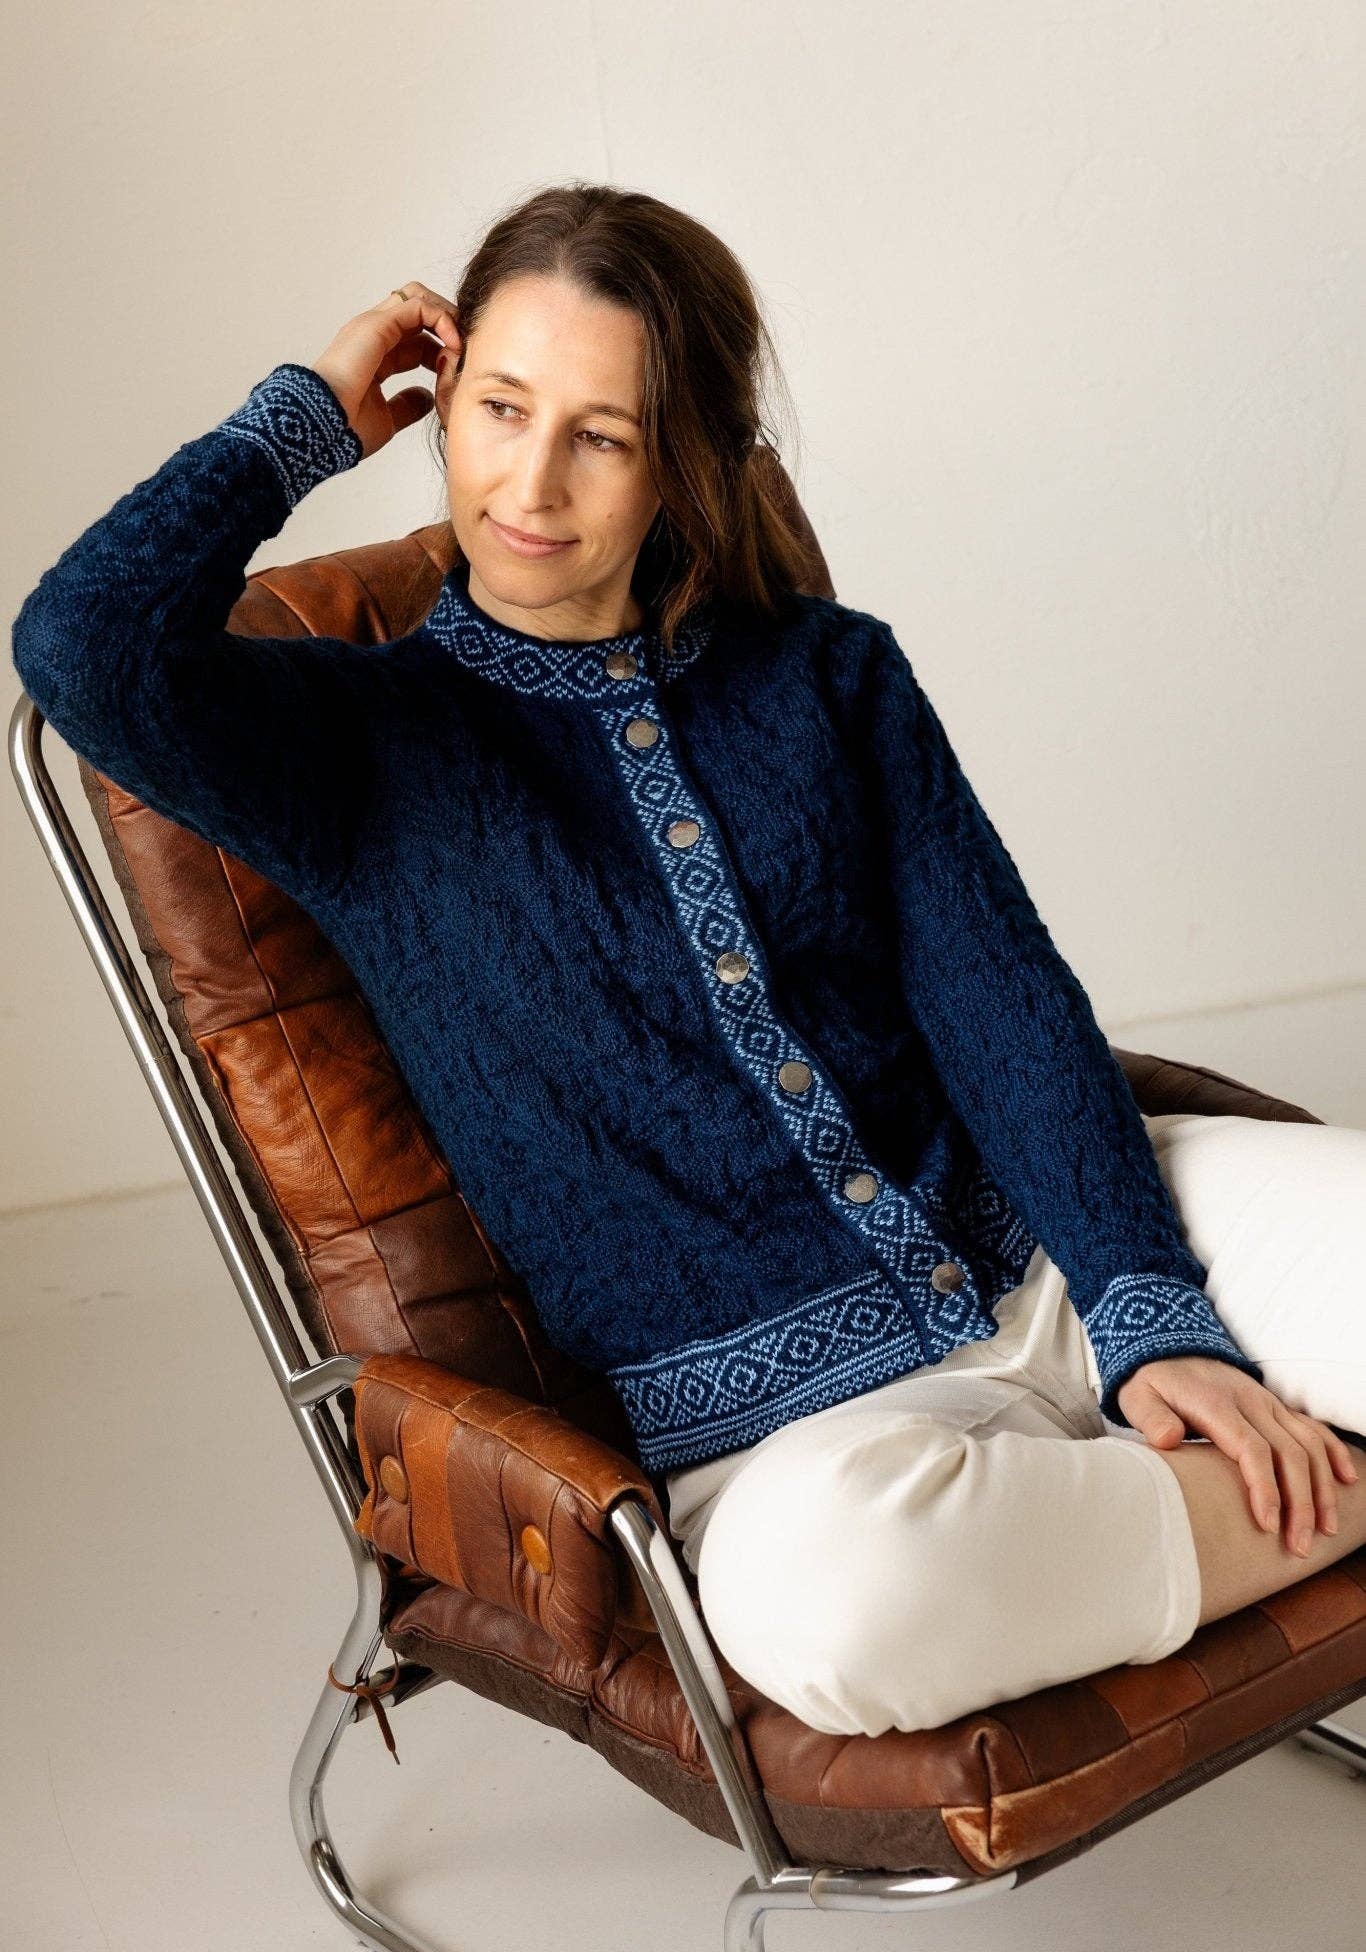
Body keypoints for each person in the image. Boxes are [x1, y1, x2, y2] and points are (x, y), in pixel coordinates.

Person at [12, 183, 1366, 1740]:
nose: (528, 481)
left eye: (602, 432)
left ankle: (1150, 1490)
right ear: (438, 401)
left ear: (681, 463)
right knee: (832, 1612)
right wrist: (308, 414)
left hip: (1061, 1239)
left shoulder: (823, 674)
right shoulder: (352, 748)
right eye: (499, 406)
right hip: (804, 1446)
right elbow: (81, 648)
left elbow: (999, 1001)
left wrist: (1145, 1308)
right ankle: (1309, 1500)